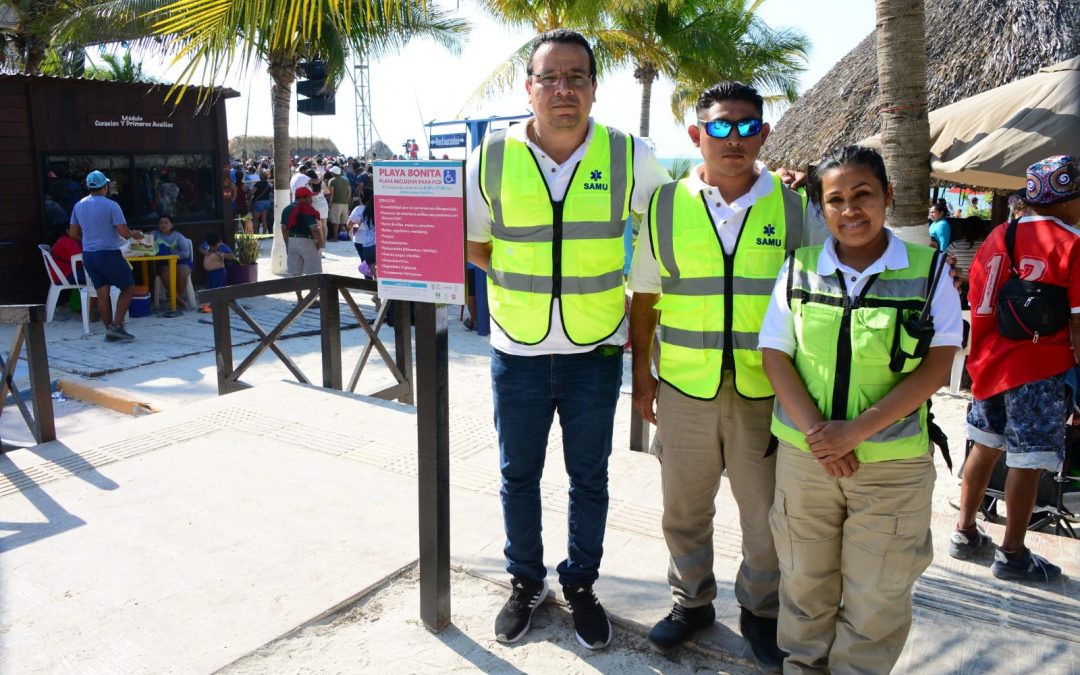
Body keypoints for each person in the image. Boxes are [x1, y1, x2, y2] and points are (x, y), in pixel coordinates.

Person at [465, 29, 669, 650]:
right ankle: (526, 583)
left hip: (595, 354)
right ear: (528, 88)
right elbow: (475, 243)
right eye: (549, 77)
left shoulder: (630, 155)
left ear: (593, 88)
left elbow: (661, 240)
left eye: (576, 77)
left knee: (590, 478)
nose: (563, 89)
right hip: (517, 353)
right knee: (516, 475)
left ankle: (580, 585)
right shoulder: (490, 158)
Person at [759, 145, 962, 673]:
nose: (851, 210)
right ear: (820, 209)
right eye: (836, 199)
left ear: (888, 196)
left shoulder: (931, 271)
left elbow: (936, 369)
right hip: (808, 461)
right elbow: (776, 356)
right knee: (804, 580)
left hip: (891, 468)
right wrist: (821, 437)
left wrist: (857, 433)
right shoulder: (798, 269)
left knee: (878, 591)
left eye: (863, 194)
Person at [628, 81, 809, 667]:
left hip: (767, 390)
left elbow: (815, 297)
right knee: (683, 509)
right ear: (696, 135)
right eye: (720, 126)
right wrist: (643, 376)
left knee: (764, 516)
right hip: (684, 386)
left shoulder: (791, 206)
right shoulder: (664, 205)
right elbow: (646, 296)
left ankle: (760, 610)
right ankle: (692, 602)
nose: (733, 138)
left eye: (745, 126)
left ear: (762, 133)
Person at [952, 155, 1080, 583]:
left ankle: (965, 532)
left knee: (984, 446)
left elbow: (976, 295)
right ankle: (1012, 553)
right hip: (1039, 367)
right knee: (1028, 461)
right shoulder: (1073, 243)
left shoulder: (999, 235)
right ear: (1066, 199)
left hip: (988, 363)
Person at [72, 170, 143, 341]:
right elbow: (124, 233)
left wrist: (90, 240)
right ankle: (117, 326)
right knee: (128, 287)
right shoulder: (112, 205)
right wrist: (135, 234)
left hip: (89, 255)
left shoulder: (78, 205)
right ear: (105, 187)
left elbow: (73, 233)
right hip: (108, 254)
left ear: (89, 187)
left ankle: (110, 331)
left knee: (102, 292)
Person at [282, 186, 324, 279]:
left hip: (292, 241)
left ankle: (299, 294)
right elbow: (314, 228)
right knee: (314, 273)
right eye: (309, 197)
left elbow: (283, 228)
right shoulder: (306, 208)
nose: (311, 199)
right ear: (303, 198)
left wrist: (287, 244)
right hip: (307, 242)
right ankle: (313, 293)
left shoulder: (286, 209)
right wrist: (320, 241)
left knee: (295, 274)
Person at [153, 216, 193, 308]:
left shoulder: (178, 236)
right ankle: (179, 300)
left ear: (172, 225)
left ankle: (175, 299)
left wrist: (173, 254)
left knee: (183, 271)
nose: (163, 225)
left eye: (166, 222)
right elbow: (142, 238)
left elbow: (186, 253)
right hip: (163, 262)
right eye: (161, 223)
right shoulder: (154, 235)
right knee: (166, 273)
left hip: (181, 261)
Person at [198, 232, 234, 306]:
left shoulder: (223, 246)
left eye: (215, 246)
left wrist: (222, 254)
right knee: (210, 288)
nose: (213, 248)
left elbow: (231, 256)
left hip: (219, 272)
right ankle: (212, 303)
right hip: (209, 273)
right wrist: (205, 252)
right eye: (211, 246)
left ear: (219, 242)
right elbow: (200, 249)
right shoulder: (207, 244)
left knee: (219, 288)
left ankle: (222, 303)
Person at [348, 188, 376, 279]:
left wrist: (358, 224)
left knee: (364, 262)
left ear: (361, 199)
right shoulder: (375, 208)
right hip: (373, 241)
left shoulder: (358, 209)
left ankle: (368, 282)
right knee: (375, 264)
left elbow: (349, 225)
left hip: (359, 240)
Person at [328, 164, 352, 240]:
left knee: (335, 221)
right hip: (345, 203)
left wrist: (330, 203)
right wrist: (347, 200)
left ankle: (335, 238)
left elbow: (331, 193)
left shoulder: (332, 181)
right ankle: (350, 237)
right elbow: (349, 192)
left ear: (333, 173)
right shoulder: (345, 180)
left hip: (335, 203)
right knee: (345, 222)